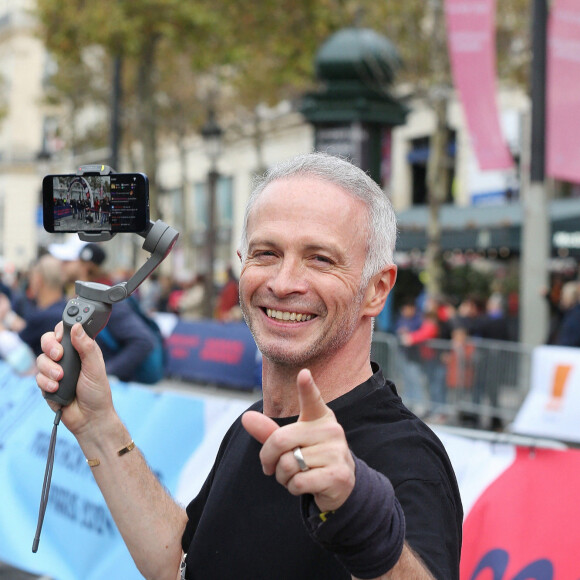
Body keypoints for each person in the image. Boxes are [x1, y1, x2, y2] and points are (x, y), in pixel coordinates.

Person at [36, 152, 462, 579]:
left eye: (320, 259)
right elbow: (179, 566)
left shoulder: (409, 459)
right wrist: (97, 424)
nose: (283, 282)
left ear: (377, 289)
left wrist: (359, 512)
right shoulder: (252, 424)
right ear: (242, 263)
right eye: (266, 253)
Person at [48, 240, 160, 383]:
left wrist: (103, 374)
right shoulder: (86, 297)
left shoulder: (107, 301)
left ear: (84, 265)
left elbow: (143, 341)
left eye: (66, 261)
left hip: (116, 392)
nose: (60, 266)